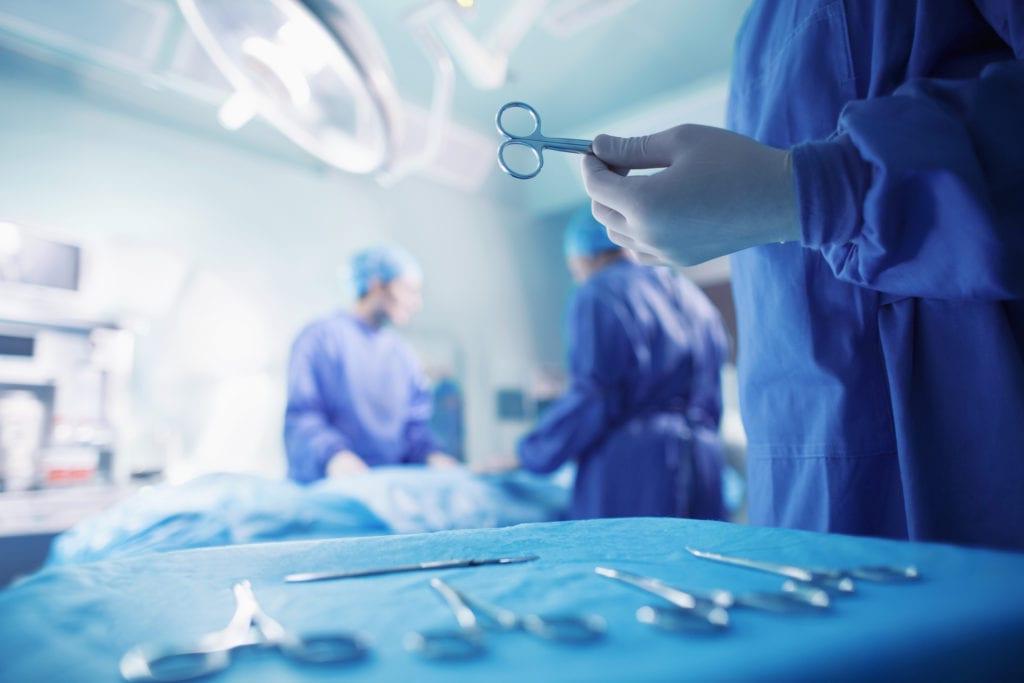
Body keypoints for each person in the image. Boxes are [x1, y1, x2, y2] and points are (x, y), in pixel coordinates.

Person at [580, 1, 1024, 548]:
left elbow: (592, 396)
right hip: (796, 476)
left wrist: (816, 190)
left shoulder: (603, 298)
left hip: (968, 457)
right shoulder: (759, 27)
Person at [516, 207, 729, 520]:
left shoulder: (598, 292)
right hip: (704, 462)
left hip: (635, 469)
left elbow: (593, 396)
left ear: (584, 257)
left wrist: (529, 452)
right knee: (703, 564)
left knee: (626, 566)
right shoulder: (694, 298)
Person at [284, 246, 459, 483]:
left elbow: (413, 429)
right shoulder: (321, 339)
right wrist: (334, 456)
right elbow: (303, 417)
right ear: (377, 285)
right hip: (329, 491)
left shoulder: (402, 355)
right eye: (408, 290)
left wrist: (431, 456)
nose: (416, 303)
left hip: (388, 495)